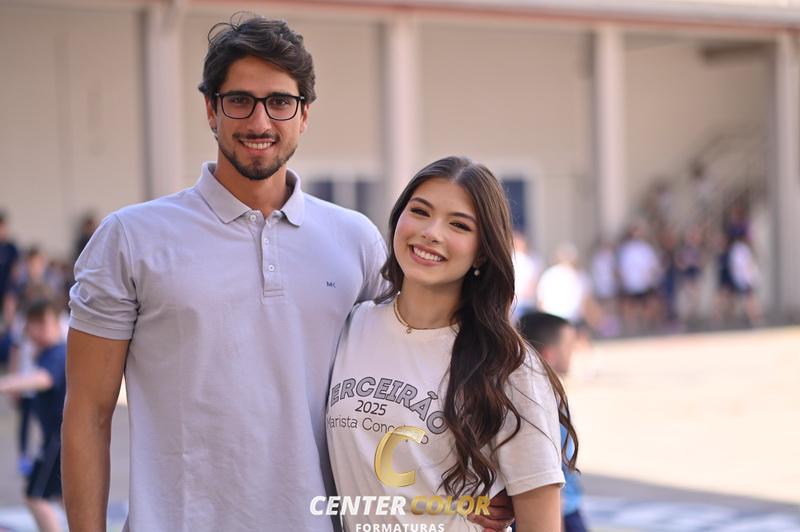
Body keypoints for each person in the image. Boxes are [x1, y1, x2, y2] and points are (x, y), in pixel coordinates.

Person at [63, 15, 510, 532]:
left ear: (304, 115)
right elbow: (89, 413)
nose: (260, 122)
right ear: (210, 110)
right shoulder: (130, 238)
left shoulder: (356, 240)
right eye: (239, 100)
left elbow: (418, 372)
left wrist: (479, 482)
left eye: (280, 102)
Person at [327, 157, 577, 531]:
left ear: (482, 250)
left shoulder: (509, 365)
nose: (431, 232)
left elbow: (542, 523)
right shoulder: (352, 325)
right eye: (420, 212)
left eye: (458, 225)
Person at [0, 299, 68, 532]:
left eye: (44, 323)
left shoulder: (57, 352)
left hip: (57, 439)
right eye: (33, 324)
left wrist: (6, 383)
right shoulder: (47, 352)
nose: (38, 330)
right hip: (58, 437)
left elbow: (44, 379)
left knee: (35, 496)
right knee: (62, 496)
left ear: (57, 323)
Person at [517, 311, 587, 532]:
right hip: (559, 515)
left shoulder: (539, 395)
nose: (573, 353)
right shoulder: (540, 403)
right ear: (549, 354)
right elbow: (547, 473)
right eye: (569, 347)